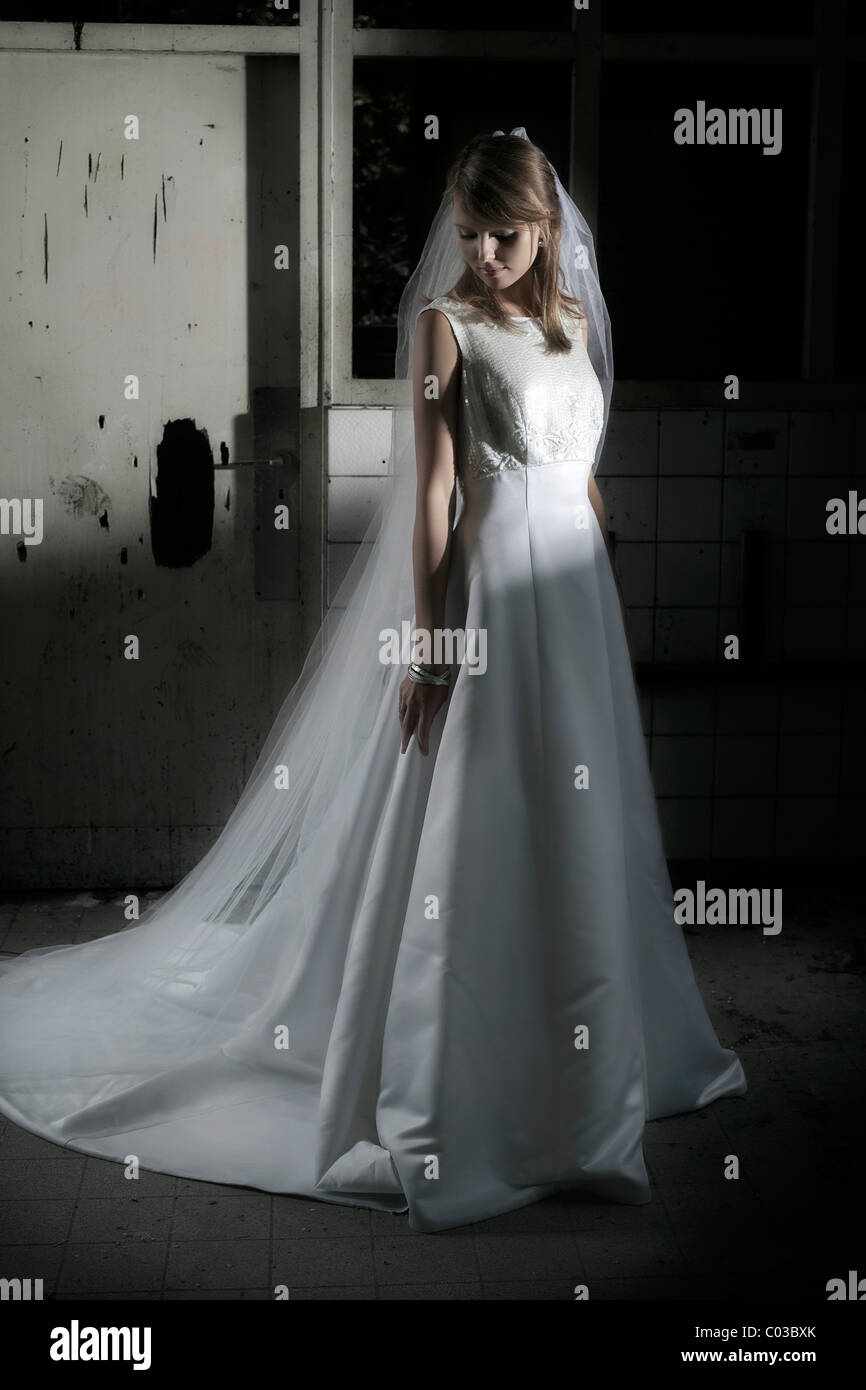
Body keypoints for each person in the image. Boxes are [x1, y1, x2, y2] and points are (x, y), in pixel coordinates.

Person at [0, 128, 745, 1234]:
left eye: (507, 234)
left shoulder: (574, 325)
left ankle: (582, 1059)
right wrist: (431, 645)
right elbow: (441, 499)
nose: (486, 252)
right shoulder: (444, 331)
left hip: (571, 602)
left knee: (576, 818)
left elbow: (579, 474)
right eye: (471, 232)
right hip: (491, 601)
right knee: (472, 821)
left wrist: (595, 565)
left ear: (544, 232)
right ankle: (455, 1071)